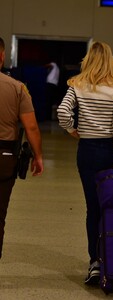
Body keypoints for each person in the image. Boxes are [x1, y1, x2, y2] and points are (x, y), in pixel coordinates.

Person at [57, 41, 113, 285]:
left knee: (93, 207)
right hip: (109, 152)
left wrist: (72, 130)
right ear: (110, 59)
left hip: (86, 151)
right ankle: (112, 258)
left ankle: (94, 262)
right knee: (110, 205)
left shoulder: (77, 85)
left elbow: (62, 112)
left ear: (88, 59)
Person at [0, 37, 44, 258]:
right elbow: (31, 127)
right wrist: (38, 156)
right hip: (4, 156)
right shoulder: (17, 88)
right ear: (1, 56)